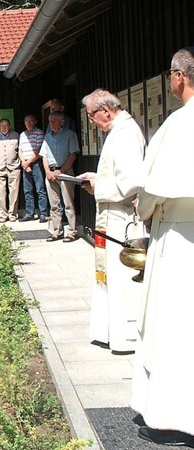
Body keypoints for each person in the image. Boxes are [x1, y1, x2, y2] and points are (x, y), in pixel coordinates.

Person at [129, 47, 194, 447]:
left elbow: (152, 189)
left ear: (178, 76)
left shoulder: (179, 125)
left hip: (179, 237)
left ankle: (176, 411)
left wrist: (144, 208)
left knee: (175, 325)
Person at [76, 89, 145, 355]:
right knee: (107, 276)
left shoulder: (126, 133)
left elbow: (131, 182)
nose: (91, 121)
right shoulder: (117, 131)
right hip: (110, 214)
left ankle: (125, 336)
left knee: (121, 278)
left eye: (92, 115)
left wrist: (98, 185)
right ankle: (108, 332)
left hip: (122, 217)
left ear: (106, 110)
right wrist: (96, 177)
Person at [40, 112, 80, 242]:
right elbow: (44, 156)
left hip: (65, 172)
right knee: (54, 204)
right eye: (50, 121)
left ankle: (72, 231)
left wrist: (61, 170)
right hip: (50, 172)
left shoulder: (70, 134)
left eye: (54, 121)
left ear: (62, 121)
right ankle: (56, 231)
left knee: (68, 203)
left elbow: (73, 155)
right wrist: (47, 171)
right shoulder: (47, 137)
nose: (51, 123)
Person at [18, 114, 50, 222]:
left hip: (36, 163)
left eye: (30, 121)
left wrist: (28, 162)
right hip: (25, 164)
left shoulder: (39, 132)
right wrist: (24, 163)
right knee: (27, 190)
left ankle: (43, 214)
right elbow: (20, 150)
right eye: (26, 122)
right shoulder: (22, 134)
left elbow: (38, 151)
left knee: (40, 189)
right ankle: (29, 214)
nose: (28, 124)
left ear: (35, 122)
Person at [0, 118, 21, 222]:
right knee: (0, 192)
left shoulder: (16, 135)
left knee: (14, 192)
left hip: (14, 167)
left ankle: (12, 214)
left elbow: (20, 150)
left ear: (9, 126)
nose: (4, 128)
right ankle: (3, 215)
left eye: (6, 125)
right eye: (2, 126)